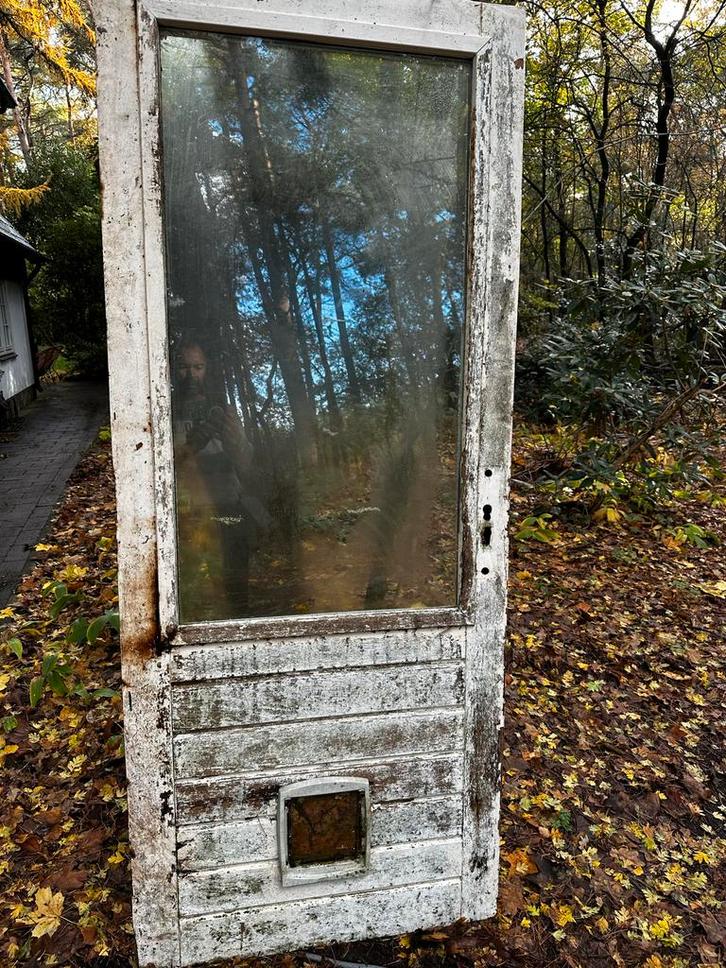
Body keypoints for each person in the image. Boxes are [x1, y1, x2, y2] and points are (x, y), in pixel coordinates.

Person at [173, 338, 265, 620]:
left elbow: (246, 463)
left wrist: (233, 436)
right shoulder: (165, 410)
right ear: (174, 370)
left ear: (207, 368)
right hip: (190, 509)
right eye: (184, 367)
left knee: (236, 577)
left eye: (198, 367)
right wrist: (190, 448)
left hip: (228, 505)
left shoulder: (223, 408)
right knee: (197, 586)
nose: (191, 374)